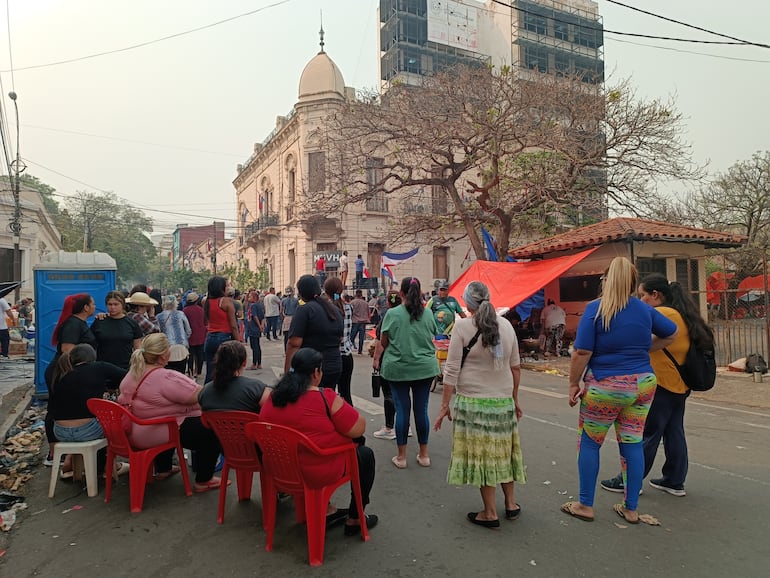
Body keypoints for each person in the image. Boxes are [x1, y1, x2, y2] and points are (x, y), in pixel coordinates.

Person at [561, 257, 677, 524]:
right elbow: (671, 334)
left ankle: (585, 505)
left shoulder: (595, 309)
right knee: (632, 442)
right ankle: (631, 508)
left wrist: (572, 384)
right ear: (634, 283)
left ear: (606, 280)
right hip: (642, 385)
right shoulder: (644, 310)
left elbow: (582, 351)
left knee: (590, 443)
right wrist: (642, 349)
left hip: (605, 385)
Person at [601, 274, 714, 498]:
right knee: (674, 433)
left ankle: (629, 480)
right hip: (678, 386)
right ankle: (674, 480)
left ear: (656, 295)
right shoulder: (681, 315)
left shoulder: (663, 313)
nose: (640, 300)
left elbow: (633, 331)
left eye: (642, 295)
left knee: (647, 434)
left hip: (662, 385)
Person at [433, 281, 526, 528]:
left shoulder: (462, 327)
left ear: (468, 303)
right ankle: (511, 503)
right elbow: (515, 367)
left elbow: (451, 370)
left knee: (484, 457)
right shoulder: (506, 325)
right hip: (503, 401)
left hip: (473, 403)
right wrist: (515, 399)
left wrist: (444, 406)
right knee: (504, 453)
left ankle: (489, 512)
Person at [260, 347, 378, 535]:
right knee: (365, 454)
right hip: (316, 471)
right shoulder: (324, 397)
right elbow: (358, 428)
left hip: (280, 468)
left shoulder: (273, 396)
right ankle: (355, 518)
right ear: (316, 372)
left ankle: (328, 509)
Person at [117, 333, 227, 492]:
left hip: (133, 431)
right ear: (163, 355)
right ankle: (204, 480)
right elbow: (197, 395)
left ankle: (164, 468)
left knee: (170, 419)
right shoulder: (165, 377)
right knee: (209, 430)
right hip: (153, 433)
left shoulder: (133, 372)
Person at [375, 277, 438, 469]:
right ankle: (424, 455)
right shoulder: (427, 314)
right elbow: (433, 335)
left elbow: (383, 342)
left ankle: (401, 457)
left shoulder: (392, 314)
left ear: (401, 293)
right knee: (421, 410)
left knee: (402, 411)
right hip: (425, 368)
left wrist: (377, 360)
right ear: (420, 293)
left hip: (398, 368)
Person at [47, 344, 129, 479]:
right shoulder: (99, 367)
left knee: (91, 422)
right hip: (88, 430)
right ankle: (109, 467)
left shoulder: (60, 373)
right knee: (108, 423)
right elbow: (126, 375)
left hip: (60, 432)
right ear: (93, 357)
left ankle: (71, 461)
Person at [43, 293, 98, 467]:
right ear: (86, 307)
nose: (95, 307)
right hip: (62, 372)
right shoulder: (73, 324)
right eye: (93, 304)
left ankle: (67, 455)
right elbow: (68, 351)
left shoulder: (78, 323)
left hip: (66, 372)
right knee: (55, 409)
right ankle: (54, 454)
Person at [285, 275, 343, 390]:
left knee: (312, 402)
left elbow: (294, 344)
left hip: (313, 368)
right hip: (335, 365)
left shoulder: (304, 310)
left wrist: (288, 373)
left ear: (301, 293)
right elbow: (340, 338)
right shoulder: (334, 310)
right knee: (326, 401)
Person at [198, 340, 271, 413]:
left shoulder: (204, 393)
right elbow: (271, 412)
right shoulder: (257, 389)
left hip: (216, 424)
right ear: (244, 362)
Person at [371, 290, 402, 440]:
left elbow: (380, 341)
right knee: (402, 395)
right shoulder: (407, 315)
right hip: (404, 359)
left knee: (388, 394)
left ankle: (389, 427)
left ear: (388, 303)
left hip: (389, 359)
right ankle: (404, 425)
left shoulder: (388, 316)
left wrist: (376, 359)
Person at [91, 291, 143, 370]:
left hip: (125, 367)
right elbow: (91, 345)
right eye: (110, 304)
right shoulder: (99, 321)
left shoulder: (132, 324)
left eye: (116, 304)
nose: (112, 307)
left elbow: (138, 348)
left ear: (122, 305)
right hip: (103, 367)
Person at [203, 276, 239, 384]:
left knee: (210, 372)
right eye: (227, 285)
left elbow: (205, 321)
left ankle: (207, 395)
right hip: (224, 338)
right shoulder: (226, 302)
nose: (228, 287)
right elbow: (233, 325)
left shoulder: (206, 302)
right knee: (227, 370)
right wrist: (238, 342)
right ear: (221, 287)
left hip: (210, 338)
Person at [325, 277, 354, 405]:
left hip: (331, 356)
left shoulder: (326, 309)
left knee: (328, 393)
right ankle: (350, 421)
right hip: (347, 354)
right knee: (345, 392)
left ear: (326, 291)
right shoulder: (349, 308)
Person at [157, 294, 192, 374]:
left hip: (167, 348)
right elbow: (188, 330)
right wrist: (184, 339)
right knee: (181, 374)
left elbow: (158, 332)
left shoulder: (159, 317)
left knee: (168, 375)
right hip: (181, 348)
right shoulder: (180, 314)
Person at [183, 292, 205, 378]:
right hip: (200, 334)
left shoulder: (185, 310)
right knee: (200, 354)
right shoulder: (201, 310)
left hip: (190, 336)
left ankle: (190, 371)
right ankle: (198, 371)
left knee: (190, 355)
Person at [246, 291, 265, 370]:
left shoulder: (253, 306)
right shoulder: (260, 305)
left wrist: (258, 325)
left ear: (254, 298)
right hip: (257, 328)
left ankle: (254, 364)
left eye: (250, 297)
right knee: (257, 346)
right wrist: (261, 325)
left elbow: (255, 316)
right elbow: (263, 317)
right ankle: (259, 363)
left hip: (253, 328)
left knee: (254, 346)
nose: (248, 298)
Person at [349, 290, 370, 355]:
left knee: (352, 336)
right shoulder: (365, 303)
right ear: (361, 295)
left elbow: (350, 312)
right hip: (363, 321)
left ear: (355, 294)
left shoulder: (352, 303)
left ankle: (349, 348)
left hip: (355, 321)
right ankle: (360, 350)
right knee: (361, 337)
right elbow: (368, 312)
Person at [280, 286, 299, 350]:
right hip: (293, 318)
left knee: (286, 336)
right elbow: (297, 310)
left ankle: (286, 350)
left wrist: (283, 318)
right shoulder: (296, 300)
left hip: (286, 318)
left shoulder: (283, 300)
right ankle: (292, 349)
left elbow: (281, 311)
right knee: (293, 335)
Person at [0, 294, 11, 359]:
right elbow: (9, 312)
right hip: (2, 326)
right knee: (5, 341)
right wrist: (13, 320)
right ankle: (4, 355)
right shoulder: (2, 300)